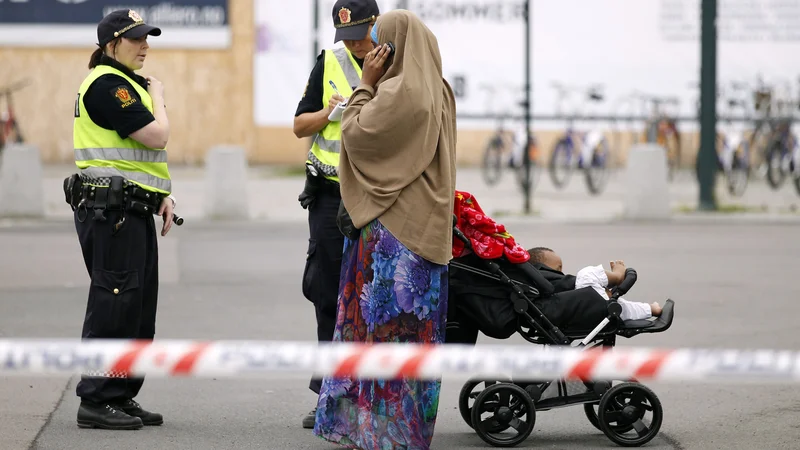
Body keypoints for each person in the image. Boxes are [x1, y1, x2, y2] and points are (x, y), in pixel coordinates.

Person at [312, 10, 457, 449]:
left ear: (392, 47)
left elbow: (355, 135)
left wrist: (365, 84)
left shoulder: (394, 92)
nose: (371, 50)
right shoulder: (440, 90)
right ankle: (407, 435)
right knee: (415, 340)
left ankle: (376, 435)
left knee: (380, 335)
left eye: (379, 42)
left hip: (392, 238)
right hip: (428, 234)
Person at [67, 9, 175, 430]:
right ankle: (95, 399)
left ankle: (121, 394)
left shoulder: (125, 84)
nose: (145, 46)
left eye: (147, 38)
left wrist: (162, 195)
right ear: (112, 45)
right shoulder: (110, 85)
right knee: (113, 304)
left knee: (136, 308)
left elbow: (139, 159)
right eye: (136, 39)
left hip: (131, 209)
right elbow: (157, 136)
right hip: (109, 212)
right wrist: (160, 98)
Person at [293, 0, 380, 429]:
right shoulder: (328, 60)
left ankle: (370, 394)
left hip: (377, 198)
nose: (355, 44)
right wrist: (329, 112)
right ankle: (329, 394)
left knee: (373, 296)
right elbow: (299, 126)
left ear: (376, 24)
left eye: (361, 34)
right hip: (329, 197)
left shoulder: (396, 59)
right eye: (346, 37)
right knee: (328, 294)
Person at [528, 247, 662, 320]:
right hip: (577, 304)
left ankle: (650, 309)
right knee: (586, 274)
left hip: (580, 303)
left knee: (617, 306)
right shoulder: (540, 278)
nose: (561, 272)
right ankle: (617, 276)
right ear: (541, 267)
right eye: (558, 269)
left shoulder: (541, 285)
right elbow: (572, 284)